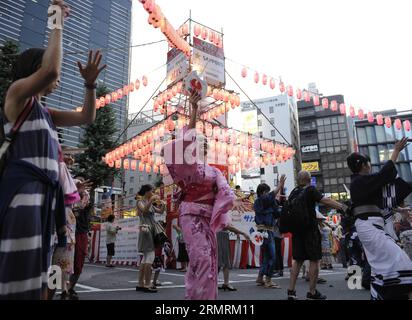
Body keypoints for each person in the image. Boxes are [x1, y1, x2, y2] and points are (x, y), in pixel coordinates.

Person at [0, 0, 106, 300]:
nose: (57, 77)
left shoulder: (45, 112)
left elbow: (87, 116)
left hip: (47, 200)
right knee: (17, 273)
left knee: (39, 272)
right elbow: (50, 70)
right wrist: (56, 21)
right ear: (34, 70)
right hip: (23, 195)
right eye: (47, 69)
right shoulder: (16, 96)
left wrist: (89, 87)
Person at [161, 89, 245, 300]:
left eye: (204, 141)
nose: (202, 143)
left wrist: (234, 201)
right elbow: (186, 138)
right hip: (190, 217)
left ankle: (196, 297)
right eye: (198, 141)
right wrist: (194, 110)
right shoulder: (187, 166)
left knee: (207, 261)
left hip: (207, 219)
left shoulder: (215, 171)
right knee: (202, 259)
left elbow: (225, 191)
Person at [347, 139, 412, 300]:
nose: (369, 166)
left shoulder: (362, 183)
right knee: (400, 259)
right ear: (363, 165)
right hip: (369, 227)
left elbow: (381, 201)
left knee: (381, 266)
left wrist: (401, 209)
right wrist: (396, 151)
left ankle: (381, 295)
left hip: (372, 226)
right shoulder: (359, 182)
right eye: (368, 163)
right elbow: (385, 174)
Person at [287, 171, 347, 300]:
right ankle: (312, 292)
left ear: (298, 180)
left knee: (297, 260)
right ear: (309, 179)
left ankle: (291, 291)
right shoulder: (310, 190)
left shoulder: (293, 192)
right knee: (314, 259)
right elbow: (325, 200)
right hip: (310, 230)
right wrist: (342, 206)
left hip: (296, 231)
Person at [254, 178, 286, 289]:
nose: (269, 194)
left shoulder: (267, 201)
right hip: (266, 231)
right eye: (267, 192)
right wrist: (279, 186)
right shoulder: (260, 201)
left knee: (266, 256)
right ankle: (268, 280)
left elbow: (277, 213)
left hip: (266, 231)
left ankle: (260, 277)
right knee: (272, 256)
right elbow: (270, 198)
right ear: (263, 193)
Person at [136, 184, 165, 293]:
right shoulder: (140, 202)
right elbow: (144, 211)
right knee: (150, 256)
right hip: (146, 229)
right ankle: (147, 284)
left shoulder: (150, 203)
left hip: (151, 229)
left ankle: (140, 283)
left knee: (146, 257)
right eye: (152, 191)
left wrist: (163, 205)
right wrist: (151, 200)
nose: (153, 192)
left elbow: (160, 211)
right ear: (147, 192)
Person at [68, 189, 92, 300]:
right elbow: (75, 209)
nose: (87, 197)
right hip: (68, 234)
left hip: (81, 235)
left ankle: (70, 288)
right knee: (61, 264)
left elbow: (83, 206)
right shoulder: (69, 203)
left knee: (78, 264)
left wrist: (84, 195)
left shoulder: (86, 206)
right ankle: (63, 289)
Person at [217, 225, 250, 291]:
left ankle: (219, 283)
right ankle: (224, 283)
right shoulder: (221, 214)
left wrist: (237, 232)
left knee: (219, 260)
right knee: (223, 260)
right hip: (220, 235)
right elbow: (226, 226)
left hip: (220, 234)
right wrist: (242, 233)